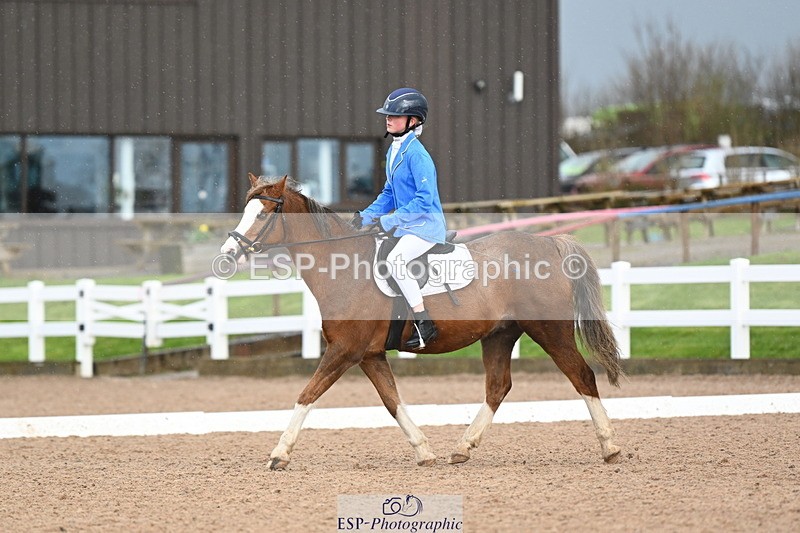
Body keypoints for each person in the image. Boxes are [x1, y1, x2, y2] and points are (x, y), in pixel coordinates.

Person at [351, 88, 447, 349]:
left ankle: (424, 322)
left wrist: (389, 221)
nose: (388, 119)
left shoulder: (418, 155)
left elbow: (424, 201)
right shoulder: (394, 151)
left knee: (396, 261)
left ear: (413, 121)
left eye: (394, 115)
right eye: (387, 115)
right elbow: (389, 194)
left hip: (425, 226)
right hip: (407, 225)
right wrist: (366, 216)